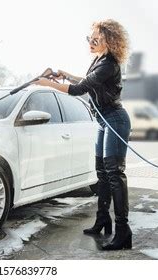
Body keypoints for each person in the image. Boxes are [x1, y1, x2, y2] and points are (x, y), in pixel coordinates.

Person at [33, 19, 132, 250]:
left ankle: (123, 231)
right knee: (102, 172)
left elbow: (79, 90)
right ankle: (102, 219)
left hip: (115, 120)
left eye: (94, 37)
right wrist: (65, 75)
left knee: (115, 174)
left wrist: (47, 83)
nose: (90, 41)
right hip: (103, 121)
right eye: (89, 37)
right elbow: (85, 81)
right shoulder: (98, 61)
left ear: (106, 38)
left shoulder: (109, 64)